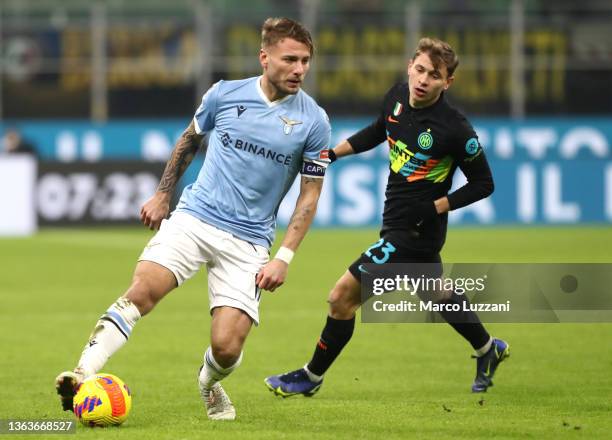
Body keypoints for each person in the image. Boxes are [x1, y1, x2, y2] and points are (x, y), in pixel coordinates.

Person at [56, 17, 331, 421]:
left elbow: (310, 195)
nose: (299, 69)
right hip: (195, 217)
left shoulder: (314, 121)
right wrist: (164, 193)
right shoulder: (224, 94)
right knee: (142, 291)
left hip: (249, 241)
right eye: (290, 59)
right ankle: (82, 373)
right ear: (264, 57)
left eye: (306, 61)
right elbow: (190, 139)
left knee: (227, 347)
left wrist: (283, 258)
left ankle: (208, 382)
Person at [265, 37, 509, 397]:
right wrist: (332, 154)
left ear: (448, 83)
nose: (424, 80)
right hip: (395, 219)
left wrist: (435, 207)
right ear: (410, 66)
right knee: (434, 293)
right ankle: (489, 349)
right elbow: (380, 130)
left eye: (435, 75)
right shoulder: (397, 96)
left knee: (341, 297)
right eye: (421, 70)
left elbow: (484, 183)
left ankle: (310, 377)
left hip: (413, 232)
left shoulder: (454, 128)